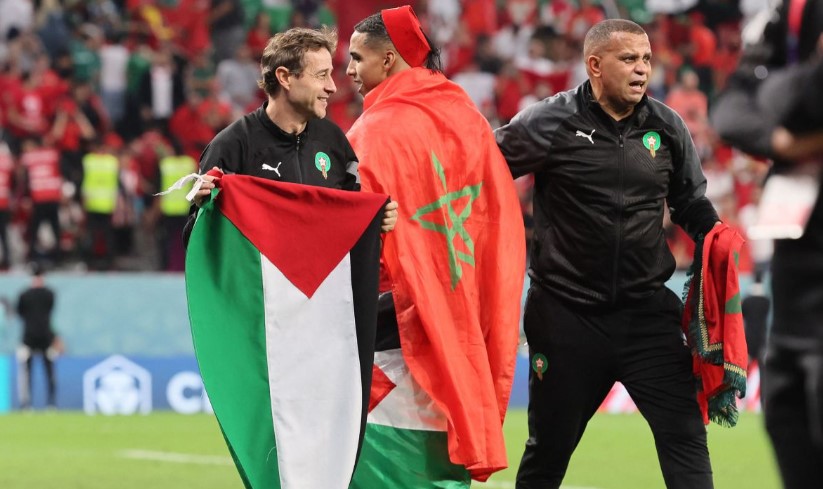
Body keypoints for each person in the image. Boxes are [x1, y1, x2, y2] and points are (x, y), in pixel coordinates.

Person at [494, 19, 720, 489]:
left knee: (685, 436)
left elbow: (689, 202)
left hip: (646, 315)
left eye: (647, 59)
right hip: (566, 316)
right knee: (548, 451)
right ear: (595, 65)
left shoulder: (667, 125)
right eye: (629, 59)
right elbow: (484, 171)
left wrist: (715, 235)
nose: (642, 70)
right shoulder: (549, 121)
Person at [345, 6, 526, 487]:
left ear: (389, 60)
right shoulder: (466, 118)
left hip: (393, 322)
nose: (348, 72)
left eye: (357, 58)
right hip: (459, 301)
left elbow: (349, 233)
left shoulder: (373, 130)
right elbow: (493, 216)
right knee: (443, 444)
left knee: (390, 463)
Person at [710, 1, 823, 486]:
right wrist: (781, 142)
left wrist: (784, 91)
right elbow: (734, 108)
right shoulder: (792, 11)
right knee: (788, 419)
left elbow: (788, 96)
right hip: (799, 288)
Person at [190, 27, 397, 231]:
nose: (332, 87)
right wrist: (204, 212)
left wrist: (376, 219)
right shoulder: (231, 146)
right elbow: (198, 240)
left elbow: (352, 219)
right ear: (285, 78)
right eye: (321, 75)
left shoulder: (335, 141)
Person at [16, 263, 60, 409]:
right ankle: (28, 404)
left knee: (47, 372)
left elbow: (20, 313)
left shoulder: (27, 294)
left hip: (41, 339)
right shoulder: (48, 294)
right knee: (31, 373)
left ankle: (49, 402)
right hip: (32, 339)